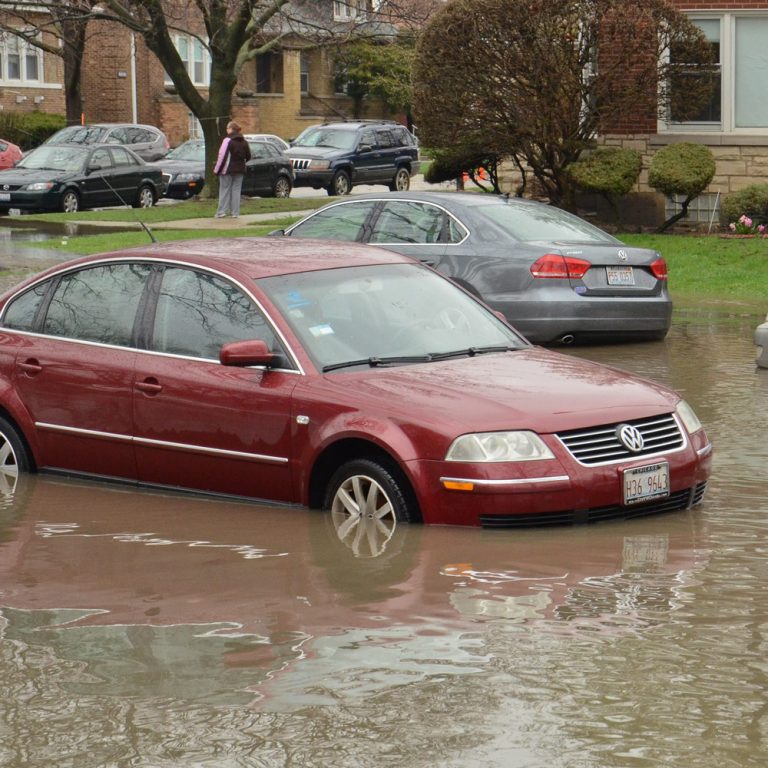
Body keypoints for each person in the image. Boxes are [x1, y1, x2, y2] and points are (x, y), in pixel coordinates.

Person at [214, 120, 251, 218]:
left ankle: (221, 212)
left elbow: (222, 156)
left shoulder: (227, 140)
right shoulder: (244, 141)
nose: (226, 130)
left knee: (224, 190)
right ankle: (235, 213)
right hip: (240, 170)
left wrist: (217, 170)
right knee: (236, 191)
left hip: (227, 170)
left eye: (227, 128)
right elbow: (248, 156)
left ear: (230, 129)